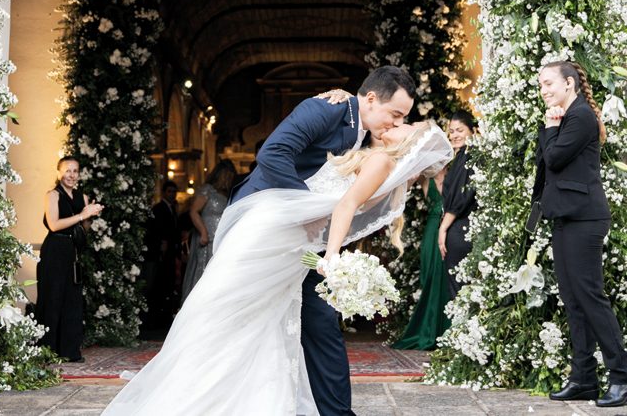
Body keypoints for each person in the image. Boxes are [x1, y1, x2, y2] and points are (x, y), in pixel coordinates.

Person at [101, 120, 453, 415]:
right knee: (241, 309)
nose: (397, 123)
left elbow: (346, 204)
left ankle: (216, 392)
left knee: (238, 309)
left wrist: (331, 256)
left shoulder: (382, 162)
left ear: (410, 143)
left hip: (282, 233)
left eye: (407, 124)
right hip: (284, 232)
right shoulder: (379, 161)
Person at [230, 65, 416, 416]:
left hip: (304, 244)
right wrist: (306, 211)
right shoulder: (324, 109)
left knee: (319, 322)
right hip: (268, 229)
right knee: (251, 320)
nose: (397, 123)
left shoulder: (366, 132)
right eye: (395, 114)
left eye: (403, 118)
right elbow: (272, 154)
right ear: (371, 99)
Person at [534, 61, 627, 408]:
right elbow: (548, 163)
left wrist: (550, 127)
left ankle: (622, 377)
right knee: (573, 300)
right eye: (541, 85)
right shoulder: (569, 117)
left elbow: (554, 159)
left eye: (549, 83)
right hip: (566, 216)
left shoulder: (581, 116)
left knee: (590, 296)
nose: (544, 90)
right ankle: (584, 378)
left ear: (569, 83)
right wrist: (553, 127)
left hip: (585, 219)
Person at [36, 156, 103, 362]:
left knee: (72, 301)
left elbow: (84, 228)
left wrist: (90, 215)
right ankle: (47, 351)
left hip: (72, 252)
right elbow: (54, 225)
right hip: (54, 251)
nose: (71, 175)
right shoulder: (52, 195)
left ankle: (70, 351)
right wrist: (82, 215)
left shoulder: (82, 197)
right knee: (52, 299)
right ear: (59, 173)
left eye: (75, 171)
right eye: (67, 170)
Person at [392, 168, 450, 350]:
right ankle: (429, 329)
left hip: (452, 227)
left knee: (448, 276)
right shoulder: (425, 178)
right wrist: (411, 178)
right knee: (430, 275)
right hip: (433, 229)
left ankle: (448, 331)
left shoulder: (456, 172)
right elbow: (399, 192)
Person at [181, 160, 236, 302]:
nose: (229, 180)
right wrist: (203, 232)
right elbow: (194, 211)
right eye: (227, 176)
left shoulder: (227, 194)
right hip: (207, 240)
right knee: (204, 272)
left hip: (221, 241)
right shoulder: (208, 190)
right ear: (221, 175)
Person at [438, 110, 477, 299]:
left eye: (460, 130)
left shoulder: (469, 157)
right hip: (466, 228)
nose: (454, 135)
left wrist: (443, 228)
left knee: (460, 292)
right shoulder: (461, 158)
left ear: (473, 131)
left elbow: (460, 197)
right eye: (451, 131)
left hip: (460, 229)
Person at [144, 181, 181, 327]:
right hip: (161, 251)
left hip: (169, 251)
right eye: (169, 191)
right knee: (159, 283)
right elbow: (157, 228)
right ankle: (156, 317)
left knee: (167, 283)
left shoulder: (172, 208)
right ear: (164, 192)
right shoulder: (159, 208)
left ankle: (163, 316)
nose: (172, 194)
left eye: (174, 191)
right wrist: (162, 243)